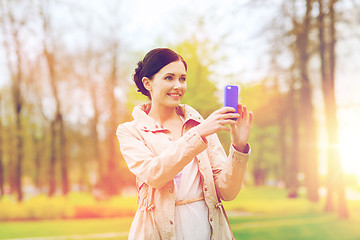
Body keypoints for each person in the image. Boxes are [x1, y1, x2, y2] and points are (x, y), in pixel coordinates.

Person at [116, 48, 253, 240]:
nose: (178, 85)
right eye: (169, 78)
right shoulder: (130, 131)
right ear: (148, 83)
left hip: (207, 227)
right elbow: (155, 174)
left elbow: (227, 192)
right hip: (159, 230)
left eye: (182, 78)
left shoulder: (200, 124)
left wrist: (238, 147)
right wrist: (200, 133)